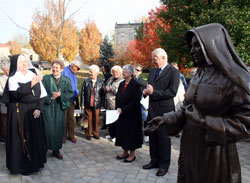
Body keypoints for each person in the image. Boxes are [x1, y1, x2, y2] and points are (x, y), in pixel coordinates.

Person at [144, 23, 250, 183]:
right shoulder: (199, 75)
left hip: (215, 154)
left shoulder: (234, 78)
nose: (192, 51)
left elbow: (246, 124)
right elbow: (188, 109)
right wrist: (166, 119)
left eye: (197, 46)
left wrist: (204, 122)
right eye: (191, 46)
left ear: (212, 45)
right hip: (190, 147)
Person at [3, 54, 47, 175]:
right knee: (22, 139)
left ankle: (35, 164)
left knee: (34, 137)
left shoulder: (32, 74)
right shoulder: (12, 78)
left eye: (25, 61)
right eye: (21, 62)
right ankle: (23, 166)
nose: (24, 64)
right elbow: (17, 95)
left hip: (34, 111)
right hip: (20, 113)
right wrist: (32, 83)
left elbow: (42, 94)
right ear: (15, 65)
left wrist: (39, 108)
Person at [142, 48, 180, 176]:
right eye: (152, 58)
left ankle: (164, 165)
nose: (152, 61)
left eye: (155, 58)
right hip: (152, 109)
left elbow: (172, 92)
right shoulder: (153, 71)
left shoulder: (173, 72)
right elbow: (150, 86)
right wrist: (146, 91)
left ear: (164, 58)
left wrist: (154, 92)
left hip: (165, 112)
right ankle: (154, 161)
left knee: (164, 139)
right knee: (153, 137)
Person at [42, 59, 74, 160]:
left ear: (61, 69)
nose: (55, 69)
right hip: (48, 108)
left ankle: (56, 150)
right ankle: (45, 149)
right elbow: (40, 92)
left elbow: (70, 93)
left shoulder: (66, 80)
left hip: (60, 108)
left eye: (57, 67)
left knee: (58, 129)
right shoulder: (46, 79)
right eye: (53, 67)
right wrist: (49, 98)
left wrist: (61, 95)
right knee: (48, 129)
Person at [115, 64, 143, 163]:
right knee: (123, 133)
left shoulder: (135, 85)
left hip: (132, 115)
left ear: (131, 73)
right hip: (122, 113)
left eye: (125, 71)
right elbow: (118, 96)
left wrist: (124, 109)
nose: (123, 73)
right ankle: (124, 152)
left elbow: (134, 101)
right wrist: (118, 108)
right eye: (123, 71)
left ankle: (132, 155)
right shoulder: (122, 83)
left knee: (131, 134)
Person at [80, 64, 104, 140]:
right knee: (87, 119)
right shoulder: (86, 81)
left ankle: (95, 133)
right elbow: (82, 93)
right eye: (89, 71)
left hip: (97, 104)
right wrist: (82, 104)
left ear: (96, 73)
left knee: (96, 119)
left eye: (91, 72)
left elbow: (103, 94)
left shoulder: (101, 82)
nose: (89, 73)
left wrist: (102, 104)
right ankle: (88, 133)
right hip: (87, 103)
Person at [62, 60, 81, 143]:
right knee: (64, 119)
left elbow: (74, 86)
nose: (78, 70)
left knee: (71, 119)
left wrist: (77, 92)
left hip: (72, 100)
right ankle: (63, 137)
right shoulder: (65, 72)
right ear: (72, 65)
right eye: (77, 68)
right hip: (65, 99)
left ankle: (71, 135)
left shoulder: (74, 74)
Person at [104, 65, 124, 139]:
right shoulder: (111, 79)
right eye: (113, 72)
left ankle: (116, 136)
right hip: (109, 103)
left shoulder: (122, 80)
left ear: (120, 72)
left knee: (116, 120)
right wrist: (106, 88)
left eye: (116, 72)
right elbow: (106, 85)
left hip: (115, 103)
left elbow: (120, 91)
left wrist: (111, 89)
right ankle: (111, 134)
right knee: (110, 119)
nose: (115, 73)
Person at [101, 64, 112, 130]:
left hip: (107, 95)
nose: (102, 69)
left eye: (103, 68)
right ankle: (105, 123)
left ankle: (105, 124)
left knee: (106, 109)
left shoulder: (108, 76)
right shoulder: (105, 75)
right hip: (104, 94)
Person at [0, 61, 9, 142]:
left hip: (14, 105)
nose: (6, 71)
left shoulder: (14, 77)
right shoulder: (1, 79)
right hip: (4, 105)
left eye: (7, 69)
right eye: (4, 70)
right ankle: (7, 140)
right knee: (5, 123)